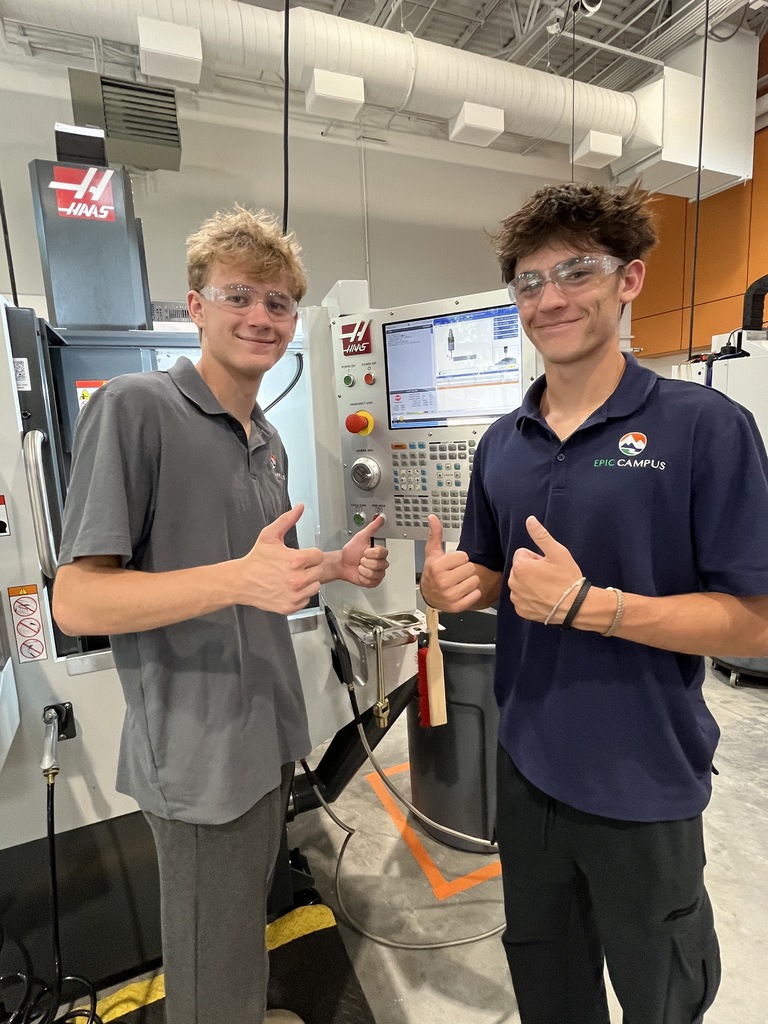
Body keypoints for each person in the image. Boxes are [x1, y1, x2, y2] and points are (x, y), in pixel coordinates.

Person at [420, 181, 768, 1024]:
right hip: (529, 765)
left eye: (576, 270)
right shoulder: (503, 442)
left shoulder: (703, 427)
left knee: (660, 993)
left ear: (630, 280)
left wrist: (595, 606)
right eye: (530, 282)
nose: (552, 298)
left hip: (644, 775)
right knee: (548, 982)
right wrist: (453, 585)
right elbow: (494, 573)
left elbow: (756, 620)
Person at [52, 206, 389, 1024]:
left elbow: (268, 574)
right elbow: (78, 598)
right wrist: (238, 581)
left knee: (241, 929)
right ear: (196, 306)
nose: (260, 317)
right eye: (239, 294)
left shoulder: (265, 438)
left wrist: (335, 568)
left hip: (265, 734)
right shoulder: (137, 409)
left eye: (278, 303)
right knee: (207, 955)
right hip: (198, 754)